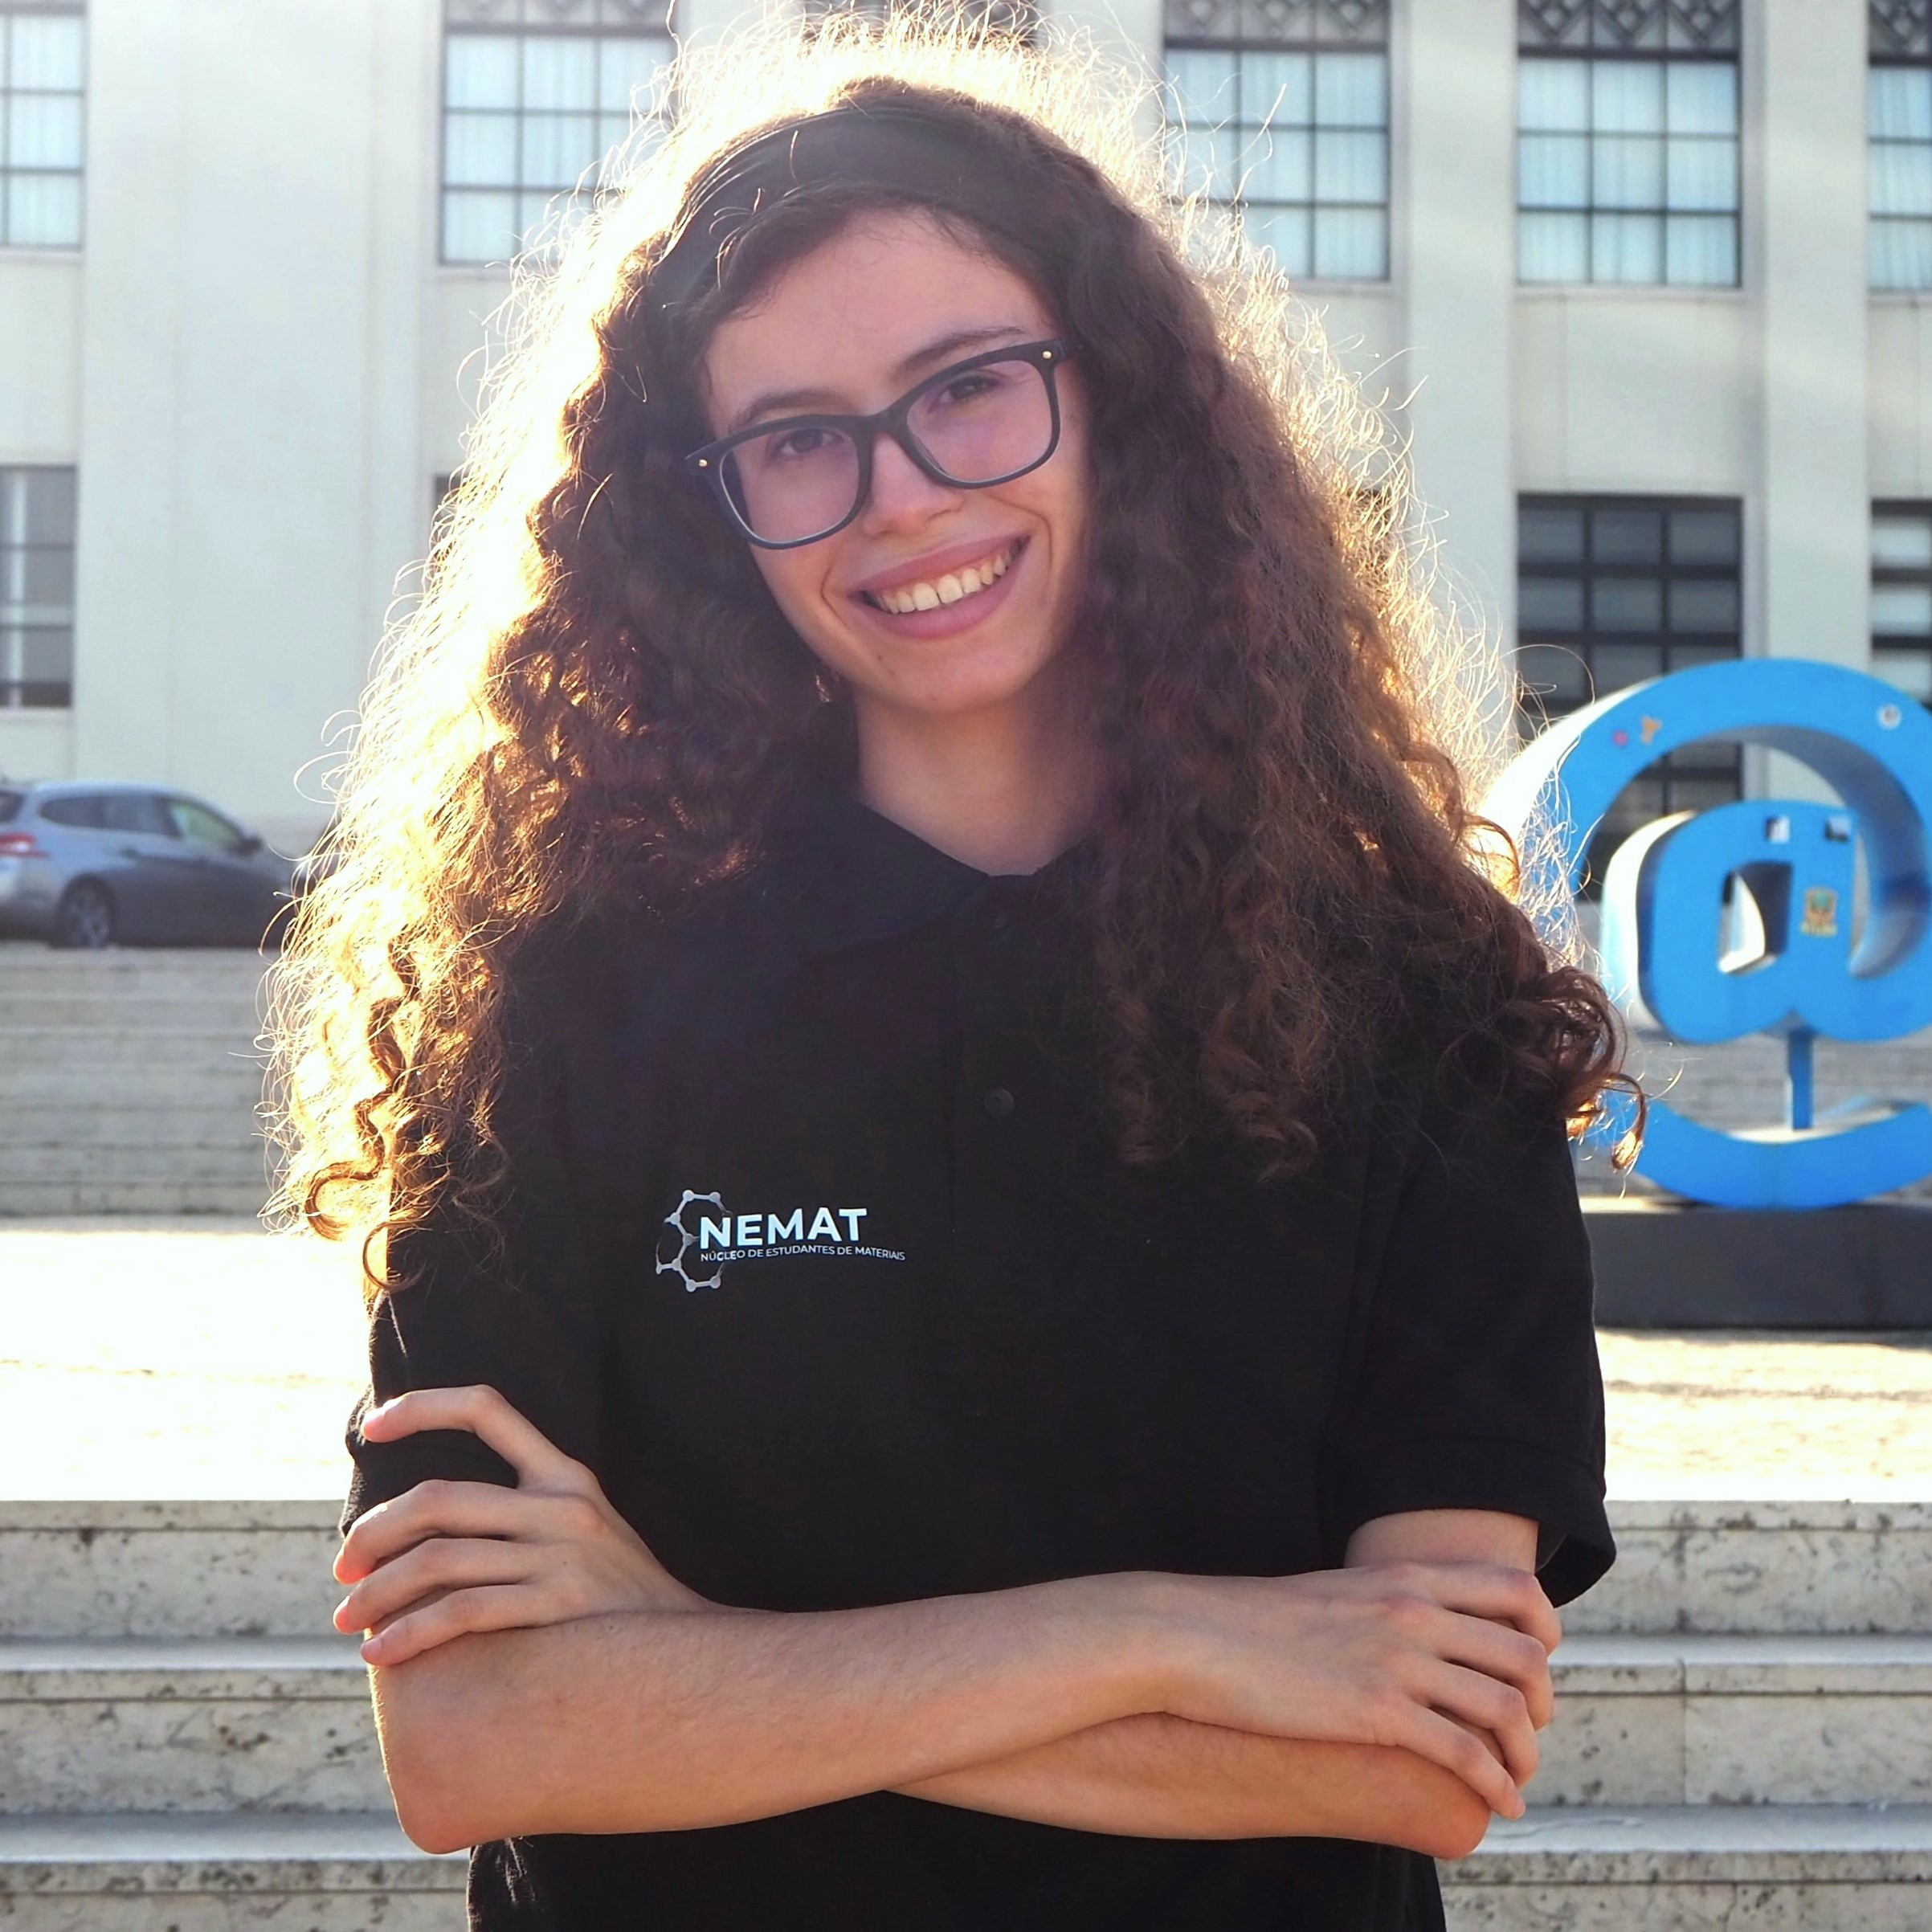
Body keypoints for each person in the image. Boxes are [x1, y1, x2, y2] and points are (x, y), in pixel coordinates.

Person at [269, 16, 1628, 1930]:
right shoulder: (548, 1001)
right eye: (796, 440)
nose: (899, 494)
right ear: (706, 512)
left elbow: (1416, 1763)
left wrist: (685, 1654)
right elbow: (477, 1739)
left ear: (1120, 399)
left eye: (971, 389)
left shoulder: (1416, 1002)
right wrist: (1167, 1635)